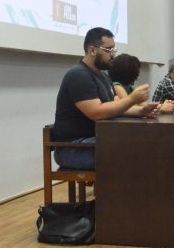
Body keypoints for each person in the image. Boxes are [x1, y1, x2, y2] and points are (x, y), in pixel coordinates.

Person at [53, 27, 157, 170]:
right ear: (92, 50)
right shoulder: (78, 75)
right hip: (74, 147)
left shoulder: (103, 76)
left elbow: (114, 106)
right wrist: (132, 99)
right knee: (135, 154)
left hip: (96, 140)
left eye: (114, 50)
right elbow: (97, 113)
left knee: (144, 145)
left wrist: (140, 111)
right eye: (108, 50)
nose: (113, 55)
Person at [108, 53, 174, 112]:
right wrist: (160, 108)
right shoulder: (116, 86)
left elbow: (143, 104)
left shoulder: (130, 87)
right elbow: (127, 107)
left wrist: (162, 105)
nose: (139, 72)